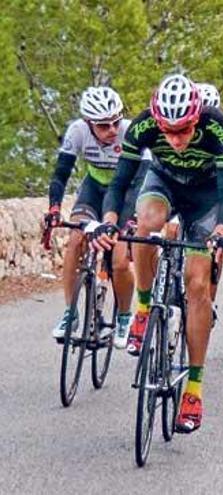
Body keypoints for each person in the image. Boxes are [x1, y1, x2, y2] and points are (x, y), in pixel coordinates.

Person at [93, 74, 223, 434]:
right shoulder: (143, 126)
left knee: (197, 286)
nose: (175, 139)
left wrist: (221, 233)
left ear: (197, 118)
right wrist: (109, 222)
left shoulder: (222, 132)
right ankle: (143, 307)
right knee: (146, 223)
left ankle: (193, 387)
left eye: (184, 131)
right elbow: (120, 183)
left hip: (207, 198)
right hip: (163, 184)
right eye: (168, 131)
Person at [46, 86, 148, 348]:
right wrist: (55, 208)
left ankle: (124, 316)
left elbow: (145, 179)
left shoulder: (131, 132)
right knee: (75, 240)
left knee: (120, 259)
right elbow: (60, 175)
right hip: (94, 189)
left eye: (116, 121)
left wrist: (134, 217)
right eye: (104, 126)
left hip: (128, 193)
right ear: (89, 123)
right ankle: (71, 312)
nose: (112, 130)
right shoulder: (77, 132)